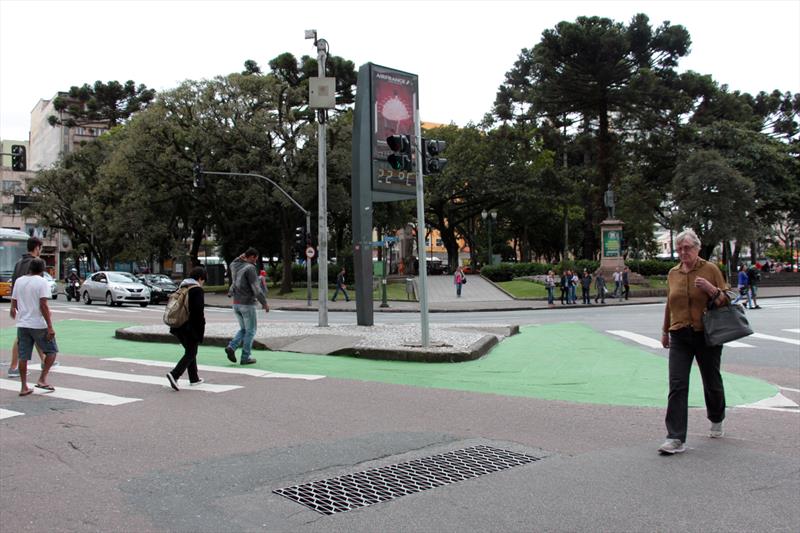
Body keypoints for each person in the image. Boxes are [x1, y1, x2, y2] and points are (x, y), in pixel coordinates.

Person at [659, 229, 732, 455]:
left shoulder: (710, 269)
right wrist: (665, 331)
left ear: (697, 248)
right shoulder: (673, 273)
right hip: (680, 334)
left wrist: (711, 290)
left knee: (711, 380)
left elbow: (726, 299)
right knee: (677, 385)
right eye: (679, 248)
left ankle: (717, 417)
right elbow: (669, 304)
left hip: (706, 334)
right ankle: (675, 437)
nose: (683, 252)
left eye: (687, 248)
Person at [9, 258, 58, 396]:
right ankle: (42, 379)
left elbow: (14, 301)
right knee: (52, 351)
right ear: (42, 270)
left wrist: (14, 310)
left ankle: (24, 386)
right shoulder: (42, 282)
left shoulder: (19, 281)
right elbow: (43, 305)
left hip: (23, 323)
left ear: (29, 268)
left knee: (23, 356)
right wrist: (50, 326)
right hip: (38, 324)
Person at [7, 237, 46, 378]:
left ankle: (44, 360)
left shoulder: (18, 263)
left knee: (32, 333)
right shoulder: (37, 263)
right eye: (40, 248)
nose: (41, 251)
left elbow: (14, 284)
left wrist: (13, 305)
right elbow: (39, 287)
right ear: (37, 248)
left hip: (21, 305)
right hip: (33, 305)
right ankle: (13, 366)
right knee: (24, 336)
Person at [224, 248, 269, 365]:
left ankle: (231, 347)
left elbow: (232, 262)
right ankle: (246, 357)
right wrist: (264, 303)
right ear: (252, 257)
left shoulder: (236, 266)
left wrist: (241, 256)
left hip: (236, 303)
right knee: (251, 331)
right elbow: (256, 289)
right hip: (247, 304)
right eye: (255, 258)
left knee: (244, 329)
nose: (255, 261)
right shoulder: (250, 268)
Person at [166, 266, 207, 391]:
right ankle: (174, 374)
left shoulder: (182, 287)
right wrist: (200, 328)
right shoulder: (196, 290)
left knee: (190, 351)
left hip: (178, 325)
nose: (203, 282)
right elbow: (197, 312)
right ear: (200, 278)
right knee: (191, 352)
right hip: (189, 327)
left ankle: (194, 378)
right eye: (203, 280)